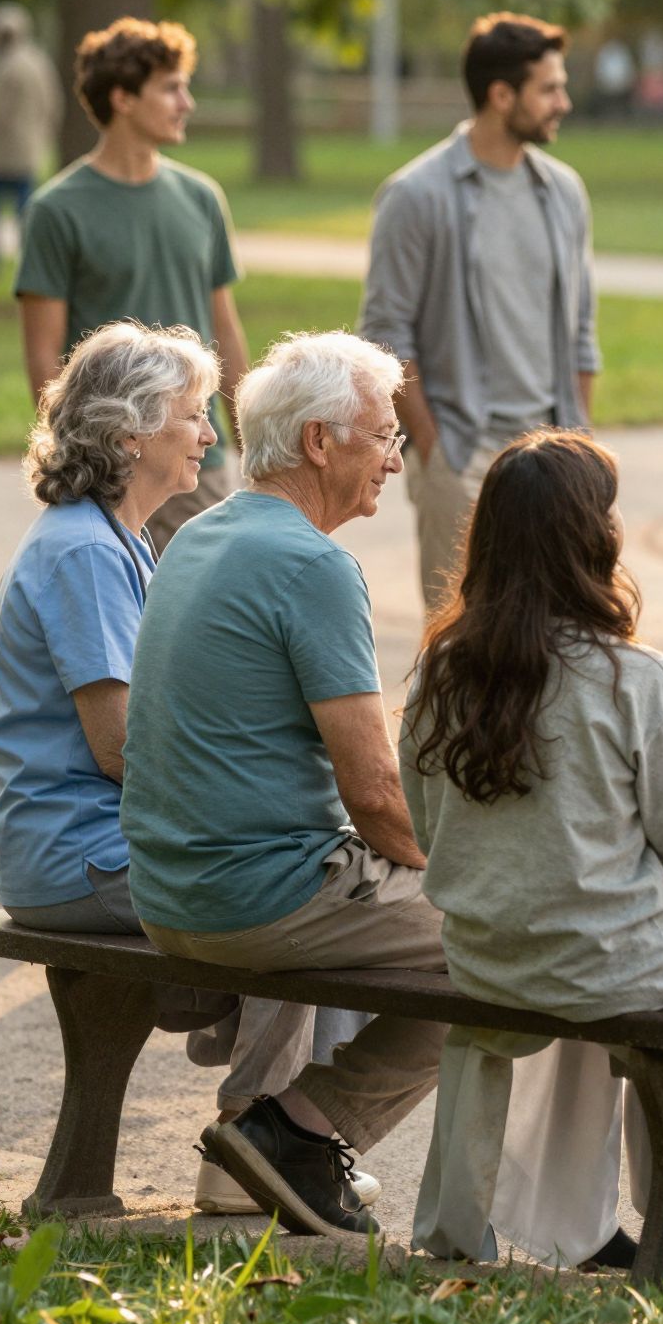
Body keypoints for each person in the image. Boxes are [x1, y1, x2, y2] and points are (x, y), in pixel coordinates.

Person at [0, 321, 373, 1217]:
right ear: (128, 435)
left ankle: (266, 1137)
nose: (209, 435)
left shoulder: (115, 540)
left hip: (82, 847)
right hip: (80, 855)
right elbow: (121, 747)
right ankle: (258, 1143)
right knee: (293, 889)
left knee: (294, 863)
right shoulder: (84, 553)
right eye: (193, 416)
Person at [401, 430, 663, 1289]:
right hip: (610, 962)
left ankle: (595, 1229)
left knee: (648, 981)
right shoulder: (635, 680)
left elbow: (430, 834)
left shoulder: (438, 672)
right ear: (594, 539)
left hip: (486, 957)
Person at [119, 331, 444, 1236]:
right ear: (319, 443)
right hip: (251, 902)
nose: (393, 458)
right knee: (505, 947)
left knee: (341, 869)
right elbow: (376, 797)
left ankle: (257, 1149)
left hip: (164, 890)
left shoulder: (196, 535)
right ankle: (299, 1130)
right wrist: (460, 877)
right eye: (384, 436)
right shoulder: (315, 566)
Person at [359, 12, 599, 612]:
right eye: (549, 89)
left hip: (553, 456)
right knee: (461, 643)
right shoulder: (416, 195)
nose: (562, 102)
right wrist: (435, 452)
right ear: (501, 95)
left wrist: (580, 444)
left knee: (560, 636)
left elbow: (583, 334)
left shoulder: (564, 192)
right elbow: (385, 339)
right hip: (462, 457)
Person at [13, 18, 251, 546]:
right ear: (122, 97)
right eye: (170, 88)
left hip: (197, 463)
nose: (186, 102)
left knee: (197, 626)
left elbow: (226, 332)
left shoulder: (202, 198)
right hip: (112, 470)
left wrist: (249, 447)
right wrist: (75, 462)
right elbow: (44, 356)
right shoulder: (56, 210)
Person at [0, 5, 59, 278]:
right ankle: (25, 263)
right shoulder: (39, 63)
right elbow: (53, 105)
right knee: (24, 215)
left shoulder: (5, 68)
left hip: (0, 155)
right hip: (28, 152)